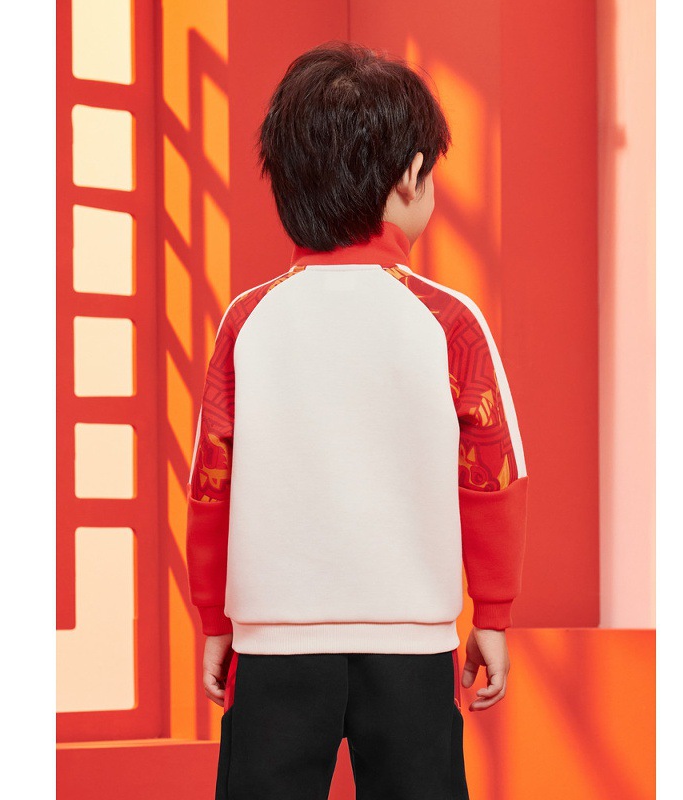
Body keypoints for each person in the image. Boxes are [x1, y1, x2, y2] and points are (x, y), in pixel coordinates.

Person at [185, 40, 529, 800]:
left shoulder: (247, 320)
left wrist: (215, 621)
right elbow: (494, 476)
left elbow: (211, 482)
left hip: (273, 643)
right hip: (412, 645)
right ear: (411, 176)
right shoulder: (449, 320)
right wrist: (493, 614)